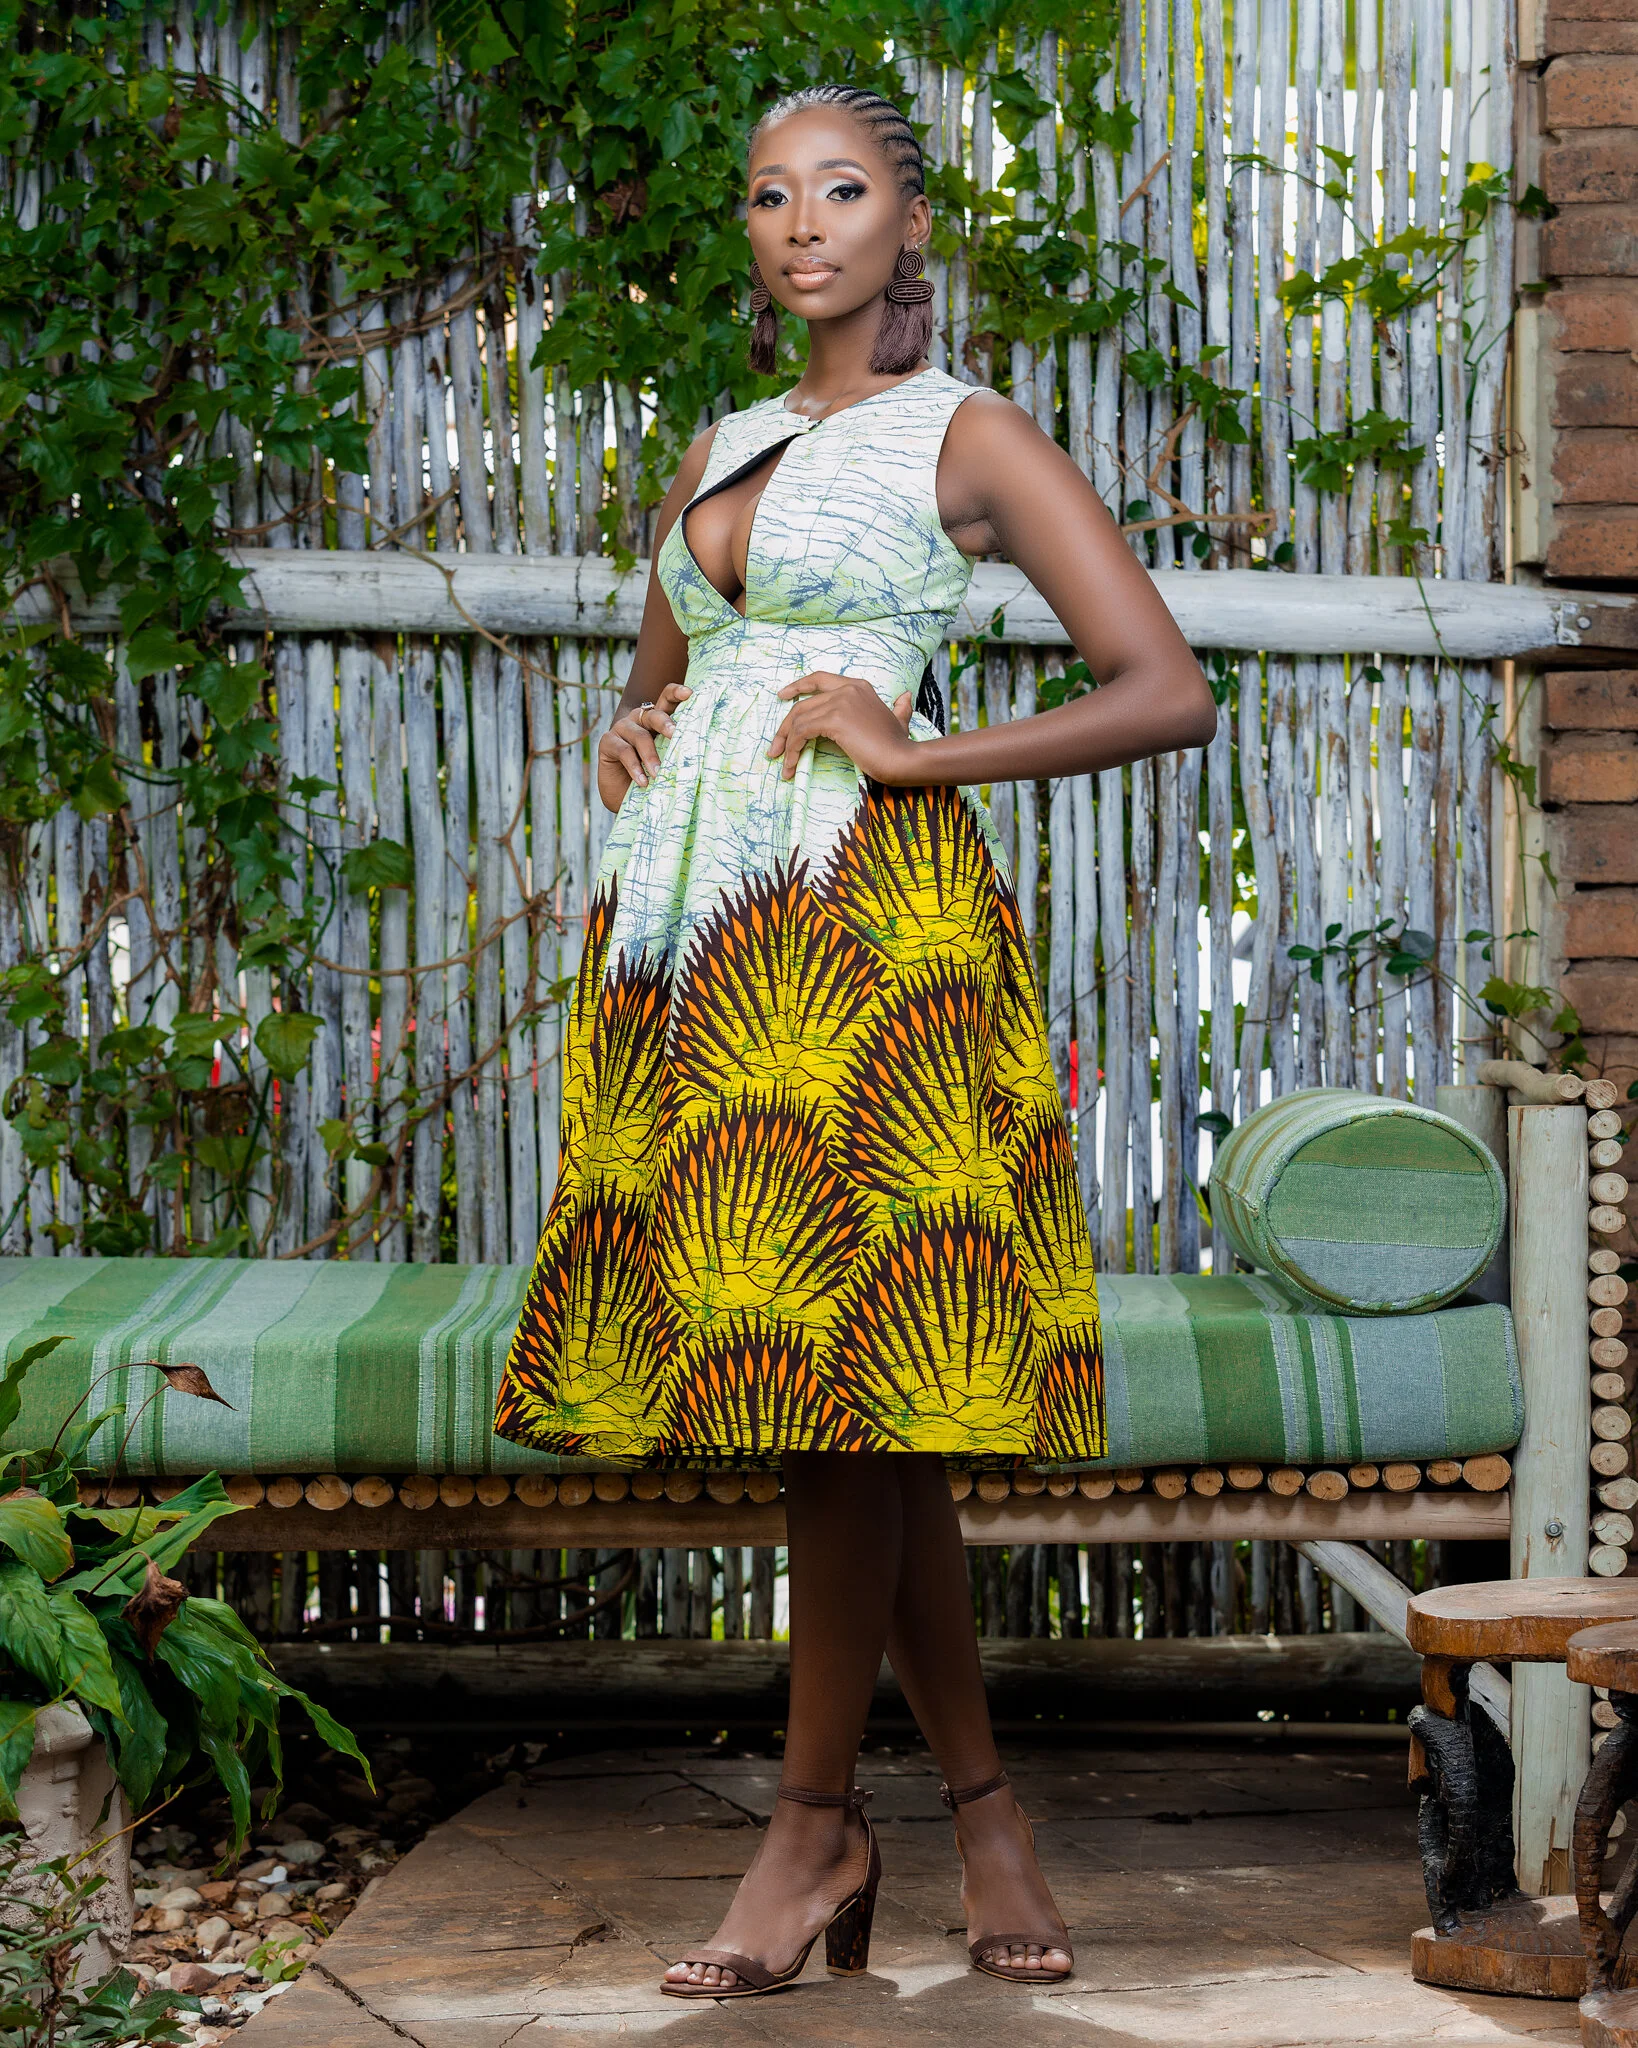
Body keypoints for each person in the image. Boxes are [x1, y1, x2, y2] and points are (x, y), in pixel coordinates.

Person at [493, 80, 1217, 2001]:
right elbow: (666, 673)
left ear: (907, 218)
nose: (799, 223)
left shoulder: (963, 436)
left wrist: (914, 747)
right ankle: (977, 1810)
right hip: (688, 941)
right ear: (747, 234)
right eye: (765, 196)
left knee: (844, 1394)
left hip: (865, 947)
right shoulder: (720, 443)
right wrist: (635, 732)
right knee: (857, 1409)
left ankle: (813, 1832)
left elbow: (1164, 689)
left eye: (840, 189)